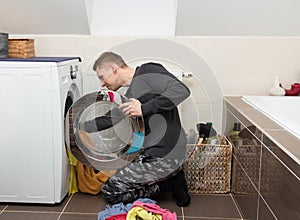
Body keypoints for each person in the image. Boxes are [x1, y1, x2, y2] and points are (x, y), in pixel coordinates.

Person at [85, 51, 191, 207]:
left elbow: (181, 90)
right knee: (120, 167)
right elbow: (114, 117)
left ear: (113, 68)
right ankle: (173, 176)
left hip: (165, 153)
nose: (102, 83)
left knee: (110, 191)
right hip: (154, 151)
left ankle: (165, 184)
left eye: (101, 77)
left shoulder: (148, 71)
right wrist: (83, 125)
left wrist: (144, 108)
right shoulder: (132, 94)